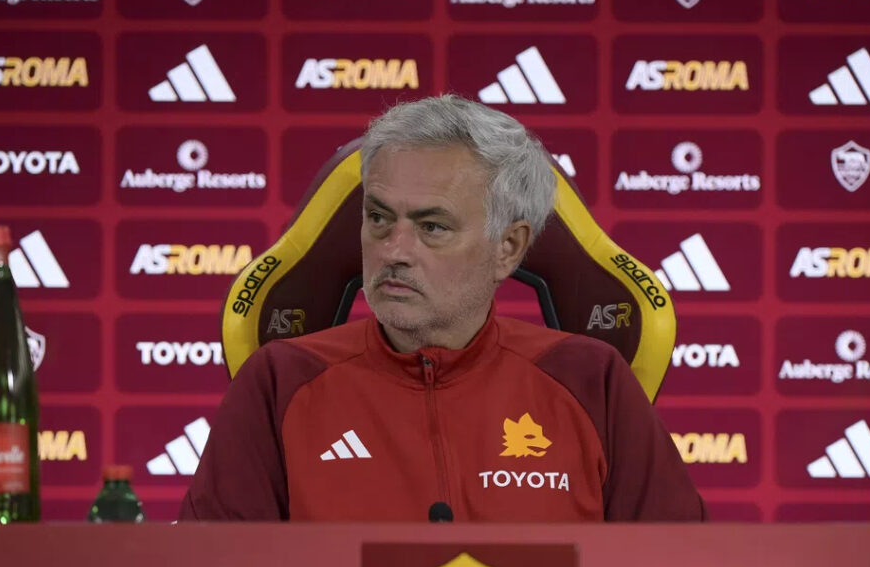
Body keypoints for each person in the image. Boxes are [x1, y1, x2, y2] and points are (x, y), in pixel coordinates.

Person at [180, 95, 706, 522]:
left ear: (508, 248)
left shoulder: (593, 382)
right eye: (379, 219)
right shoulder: (278, 383)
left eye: (432, 226)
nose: (394, 250)